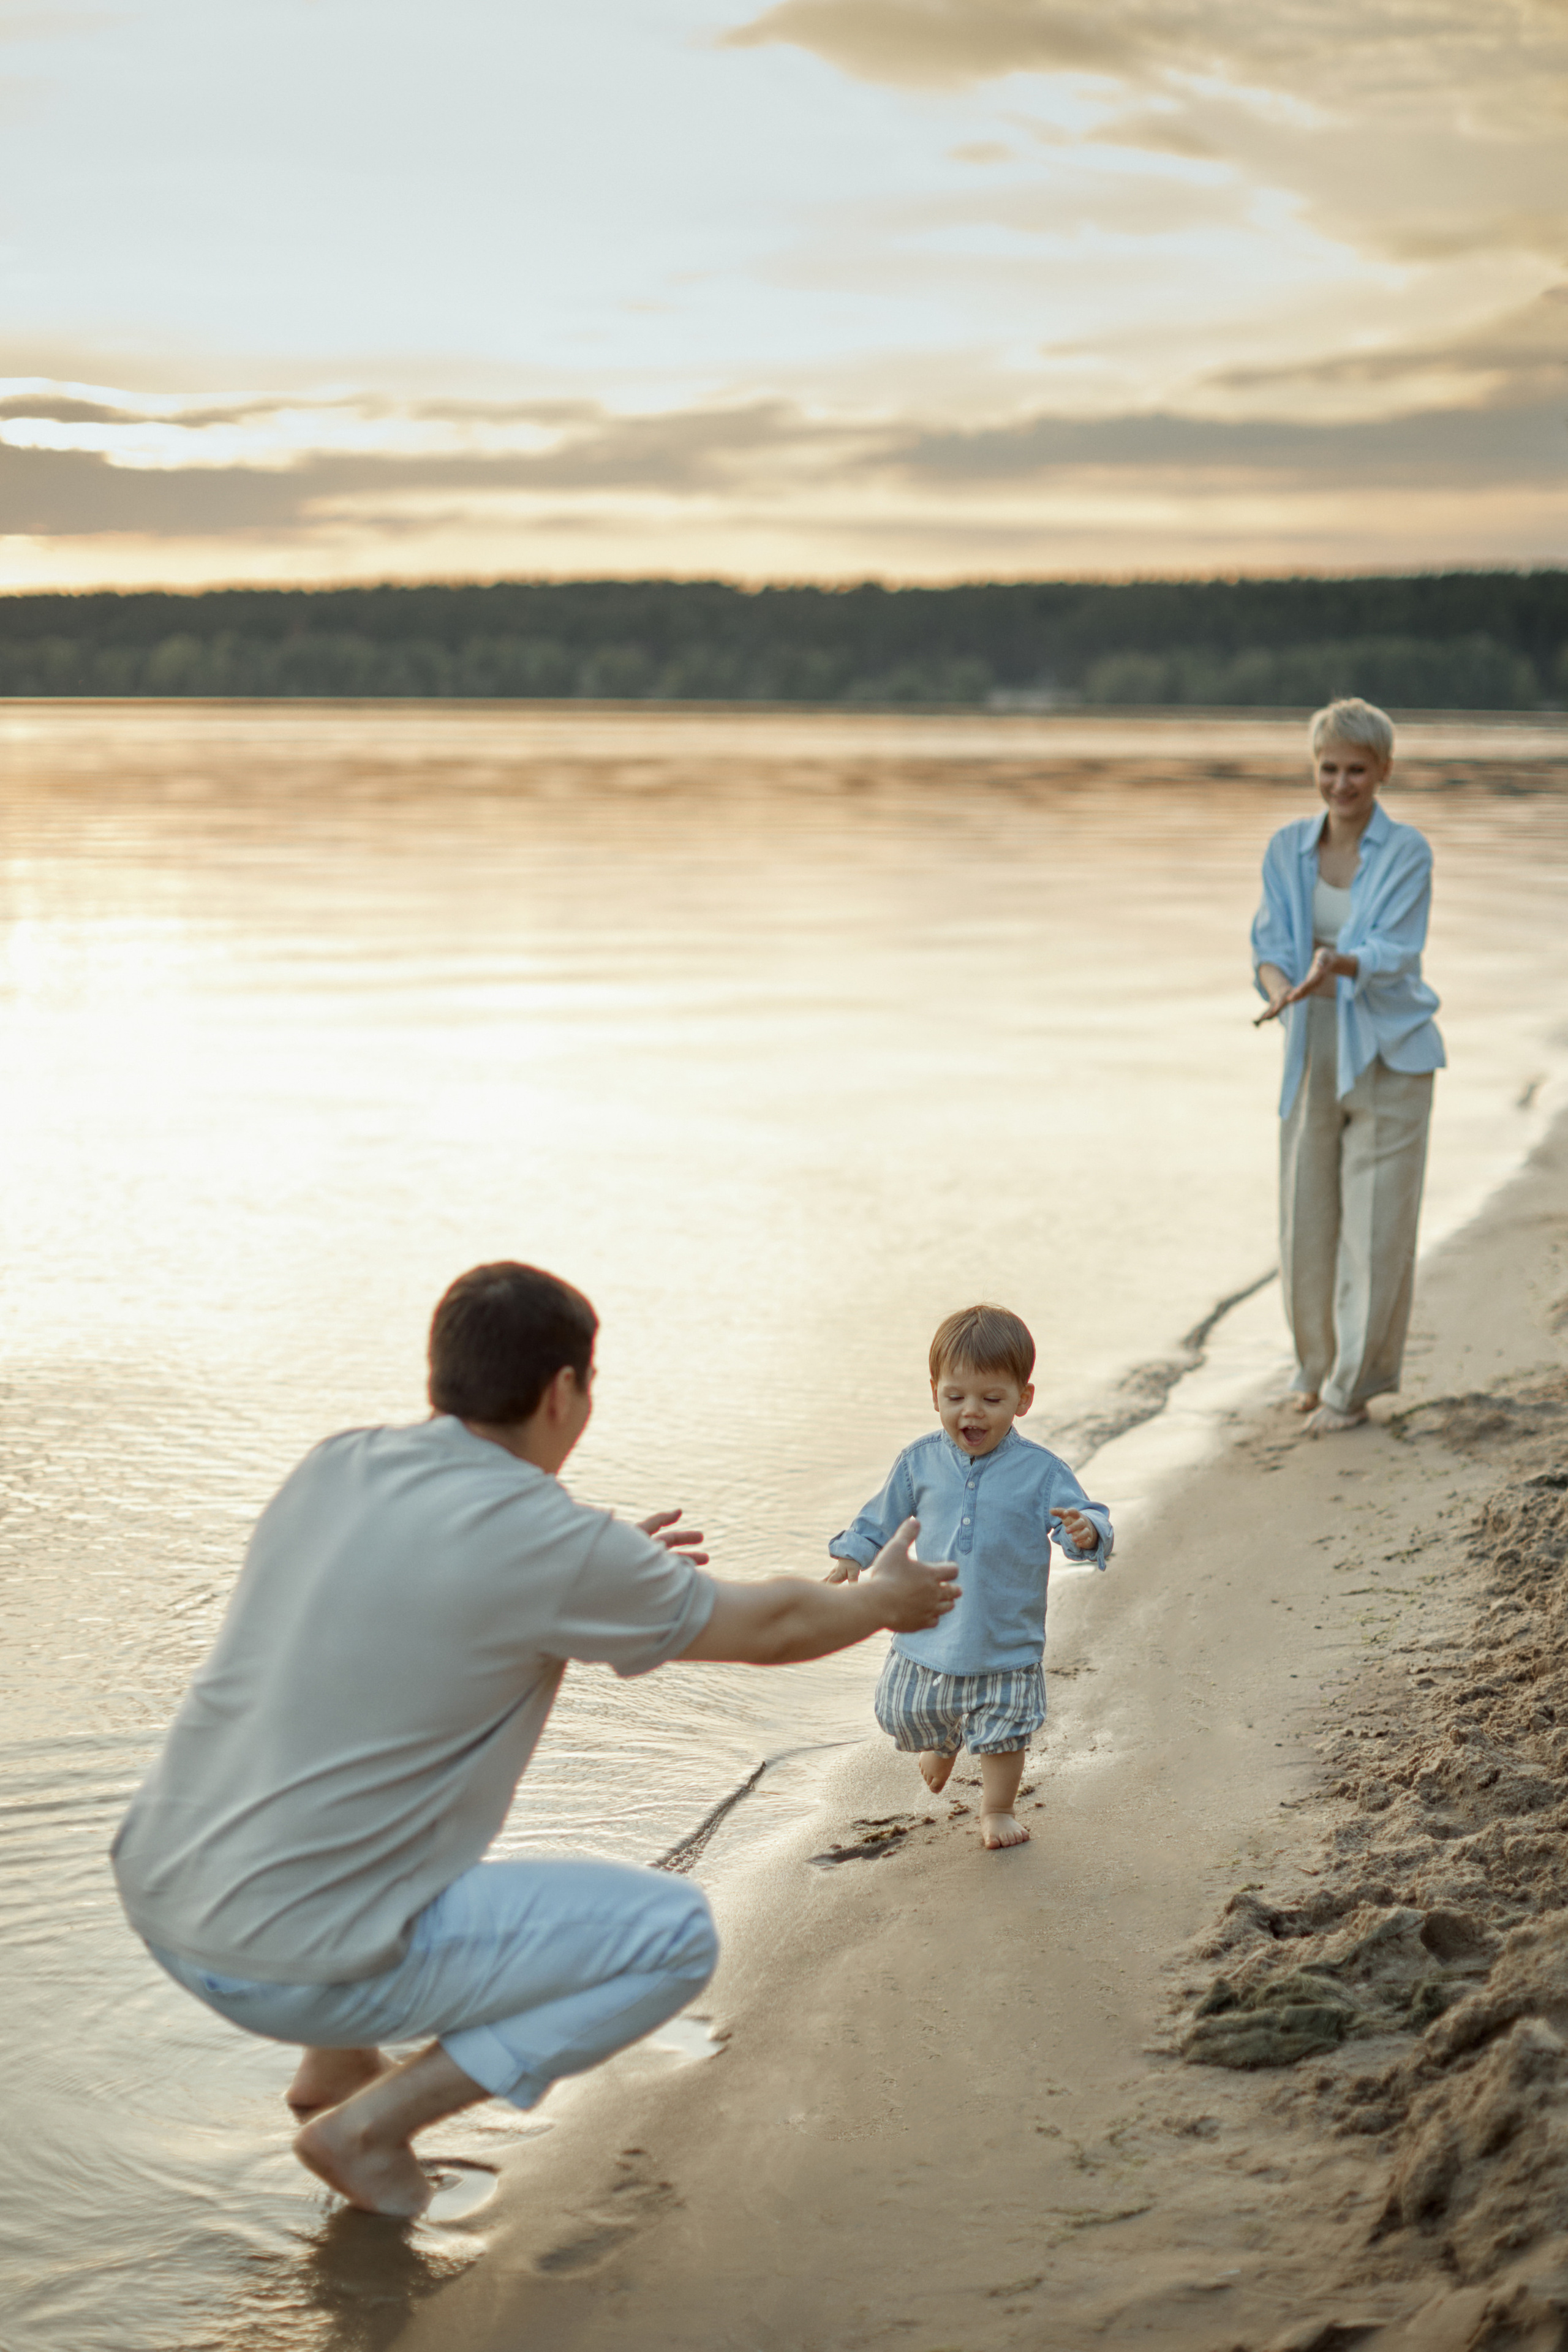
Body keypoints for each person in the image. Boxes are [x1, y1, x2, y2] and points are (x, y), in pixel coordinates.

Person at [111, 1261, 959, 2219]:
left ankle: (331, 2071)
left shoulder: (338, 1464)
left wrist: (606, 1577)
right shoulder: (548, 1544)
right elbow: (771, 1630)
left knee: (348, 1785)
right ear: (564, 1391)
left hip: (163, 1891)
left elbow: (407, 1612)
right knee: (669, 1940)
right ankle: (368, 2128)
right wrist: (887, 1601)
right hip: (279, 1959)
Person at [824, 1303, 1111, 1852]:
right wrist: (852, 1557)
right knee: (904, 1712)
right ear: (934, 1392)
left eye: (992, 1400)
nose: (970, 1413)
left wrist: (1086, 1532)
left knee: (1005, 1728)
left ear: (1023, 1399)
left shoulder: (1041, 1472)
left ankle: (997, 1808)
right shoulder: (919, 1462)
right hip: (929, 1629)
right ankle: (945, 1739)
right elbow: (879, 1518)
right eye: (955, 1398)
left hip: (1005, 1636)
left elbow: (1085, 1519)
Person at [1252, 697, 1446, 1435]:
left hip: (1390, 1054)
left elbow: (1396, 954)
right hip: (1313, 1045)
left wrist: (1343, 961)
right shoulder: (1285, 849)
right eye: (1328, 768)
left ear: (1383, 771)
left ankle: (1350, 1389)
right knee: (1304, 1217)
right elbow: (1269, 947)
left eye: (1356, 770)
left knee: (1375, 1227)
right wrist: (1280, 993)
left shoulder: (1407, 852)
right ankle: (1313, 1369)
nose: (1340, 783)